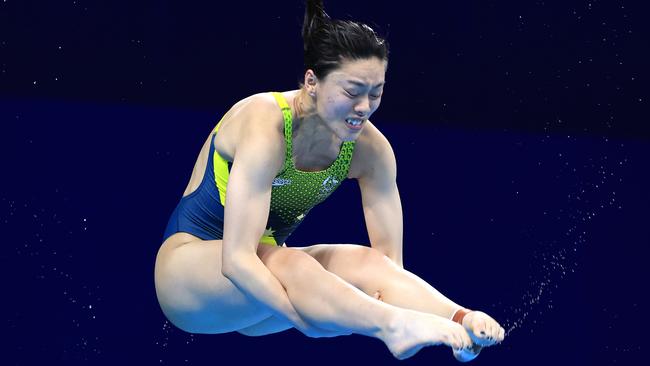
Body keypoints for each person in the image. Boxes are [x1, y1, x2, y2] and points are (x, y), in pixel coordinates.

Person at [154, 0, 505, 360]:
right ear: (312, 82)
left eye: (376, 92)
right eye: (352, 92)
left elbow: (386, 270)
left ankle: (458, 322)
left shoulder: (371, 151)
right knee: (292, 262)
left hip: (264, 286)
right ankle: (392, 326)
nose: (364, 107)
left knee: (363, 262)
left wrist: (442, 316)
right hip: (189, 279)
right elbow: (237, 261)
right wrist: (299, 319)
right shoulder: (266, 124)